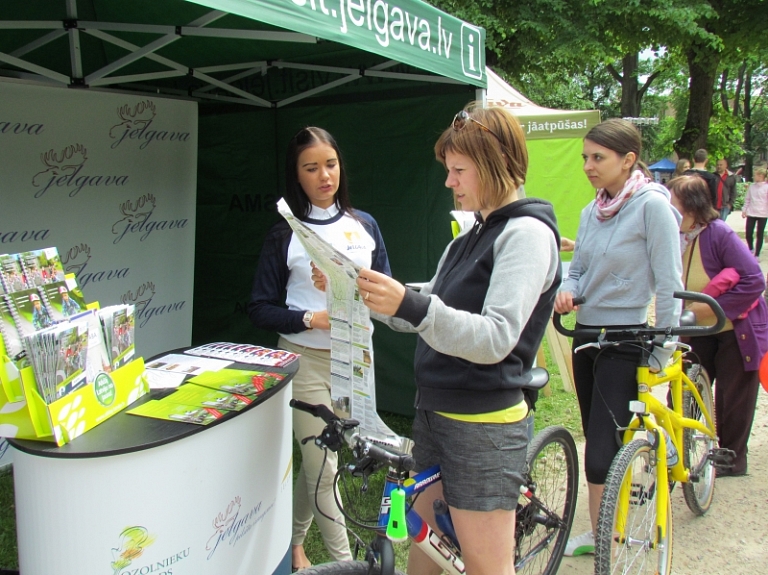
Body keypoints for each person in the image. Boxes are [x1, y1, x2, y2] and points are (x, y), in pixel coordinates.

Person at [332, 104, 561, 575]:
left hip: (483, 426)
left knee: (486, 566)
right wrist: (364, 292)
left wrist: (410, 304)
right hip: (436, 412)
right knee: (426, 550)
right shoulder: (468, 237)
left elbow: (496, 337)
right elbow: (430, 308)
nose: (448, 182)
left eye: (459, 170)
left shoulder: (527, 235)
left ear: (495, 165)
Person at [247, 127, 391, 572]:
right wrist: (313, 318)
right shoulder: (284, 234)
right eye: (311, 168)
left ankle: (292, 545)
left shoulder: (364, 225)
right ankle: (347, 565)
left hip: (355, 361)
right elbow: (260, 307)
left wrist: (353, 294)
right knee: (324, 468)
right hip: (303, 361)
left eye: (330, 164)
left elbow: (388, 294)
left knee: (322, 464)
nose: (324, 175)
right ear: (296, 175)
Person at [555, 118, 684, 557]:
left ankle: (605, 538)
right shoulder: (592, 210)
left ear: (628, 160)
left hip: (627, 335)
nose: (589, 166)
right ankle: (604, 525)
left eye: (599, 158)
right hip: (586, 332)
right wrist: (566, 289)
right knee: (597, 434)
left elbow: (669, 281)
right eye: (585, 158)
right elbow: (576, 268)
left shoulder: (652, 206)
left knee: (600, 449)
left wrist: (664, 346)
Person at [667, 175, 768, 477]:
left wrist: (708, 309)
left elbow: (754, 280)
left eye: (673, 204)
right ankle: (679, 453)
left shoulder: (719, 233)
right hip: (697, 329)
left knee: (733, 396)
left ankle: (731, 458)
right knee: (684, 388)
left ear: (692, 207)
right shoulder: (675, 235)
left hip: (735, 330)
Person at [742, 167, 768, 257]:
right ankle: (751, 249)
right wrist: (744, 210)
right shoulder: (752, 187)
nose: (753, 177)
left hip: (763, 214)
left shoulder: (766, 187)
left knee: (759, 234)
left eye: (755, 175)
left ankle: (757, 254)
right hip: (751, 213)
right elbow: (747, 199)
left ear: (761, 176)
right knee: (748, 233)